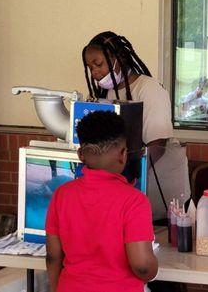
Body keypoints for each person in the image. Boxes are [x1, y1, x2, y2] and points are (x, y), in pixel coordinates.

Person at [82, 31, 190, 221]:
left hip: (161, 194)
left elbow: (156, 146)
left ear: (120, 58)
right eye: (90, 67)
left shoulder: (149, 89)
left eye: (98, 64)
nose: (94, 73)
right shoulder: (106, 94)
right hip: (127, 190)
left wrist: (124, 181)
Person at [45, 111, 158, 292]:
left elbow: (52, 256)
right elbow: (143, 266)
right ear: (123, 155)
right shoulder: (134, 200)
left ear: (81, 155)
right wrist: (153, 266)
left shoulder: (61, 195)